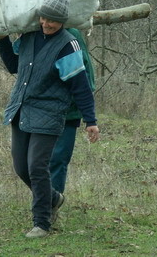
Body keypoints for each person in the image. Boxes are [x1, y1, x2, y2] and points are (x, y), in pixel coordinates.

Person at [0, 0, 99, 238]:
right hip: (21, 109)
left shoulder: (67, 44)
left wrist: (90, 121)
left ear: (62, 22)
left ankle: (41, 223)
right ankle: (53, 198)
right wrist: (2, 38)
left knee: (37, 167)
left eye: (52, 20)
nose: (46, 23)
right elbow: (13, 65)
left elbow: (80, 85)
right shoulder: (29, 36)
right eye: (44, 18)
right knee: (21, 167)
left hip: (50, 112)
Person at [50, 28, 95, 194]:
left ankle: (51, 205)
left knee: (57, 159)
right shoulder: (33, 34)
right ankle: (43, 203)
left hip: (68, 111)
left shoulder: (71, 35)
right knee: (34, 162)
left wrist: (88, 116)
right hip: (40, 111)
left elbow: (85, 78)